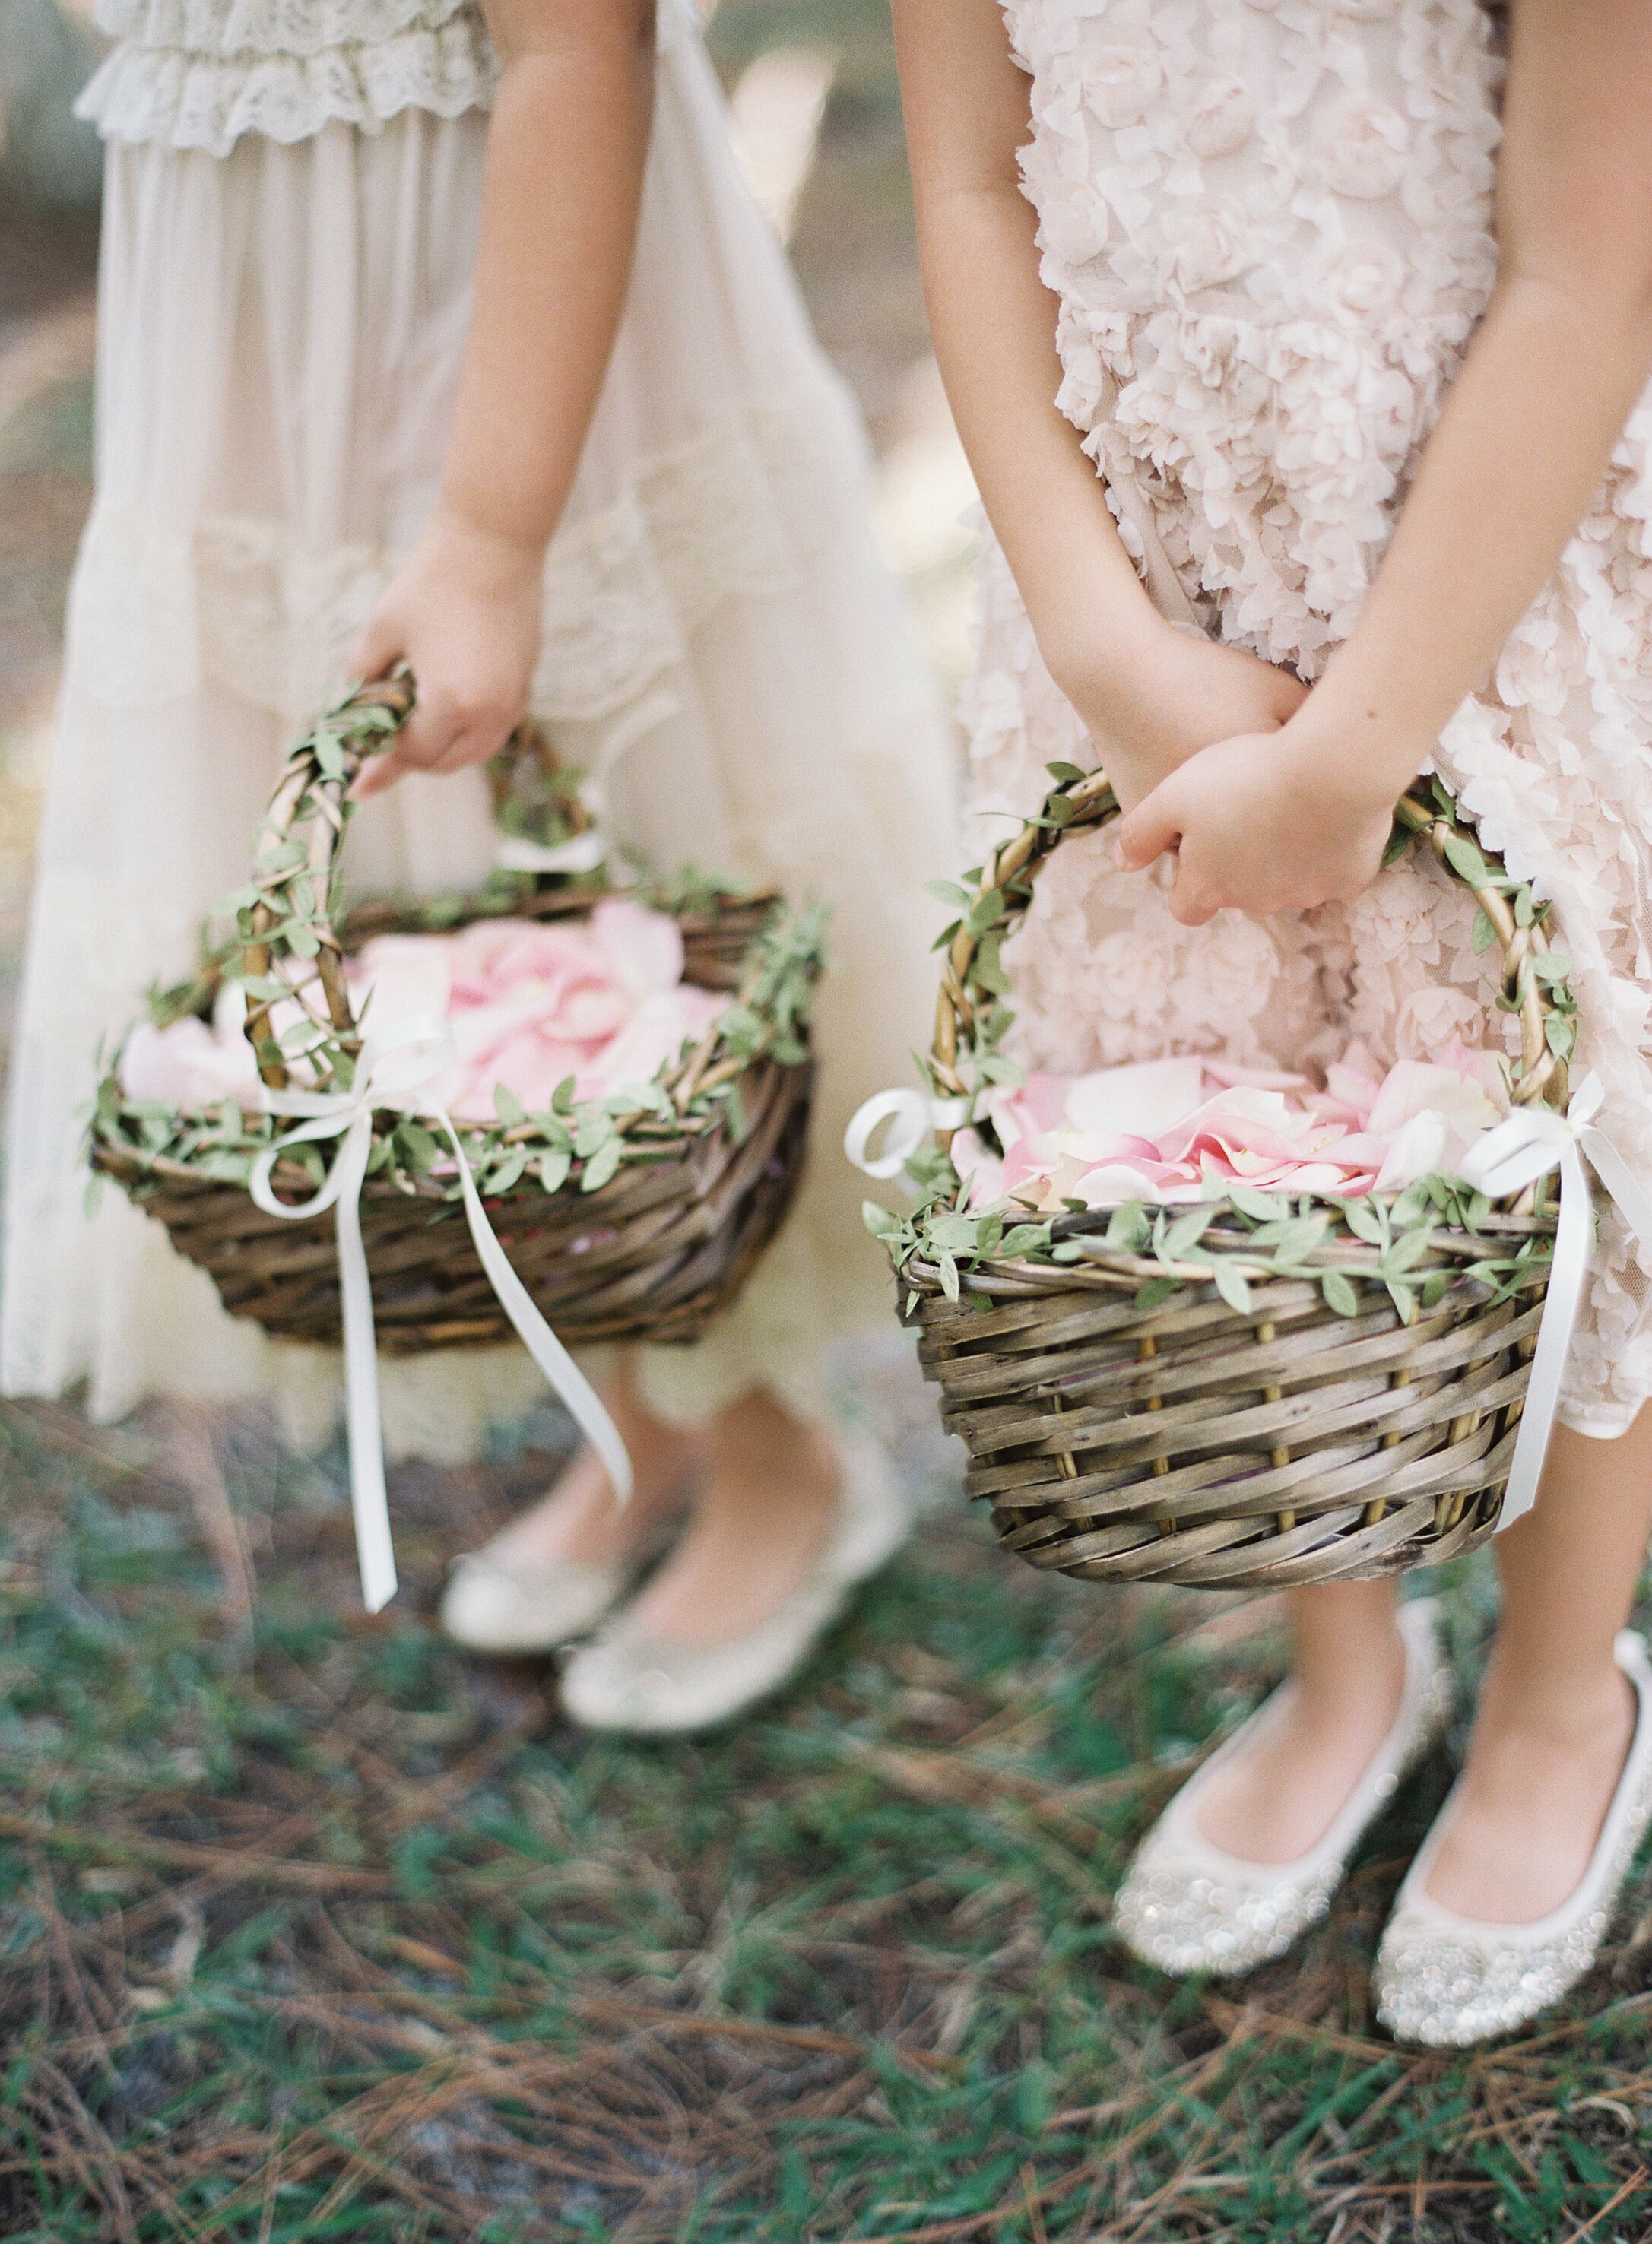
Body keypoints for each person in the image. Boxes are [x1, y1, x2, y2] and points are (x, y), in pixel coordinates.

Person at [5, 0, 957, 1733]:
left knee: (633, 884)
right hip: (247, 317)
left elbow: (570, 46)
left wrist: (493, 534)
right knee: (433, 952)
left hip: (506, 311)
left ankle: (776, 1455)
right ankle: (646, 1418)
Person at [893, 0, 1652, 2043]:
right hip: (1151, 583)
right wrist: (1096, 636)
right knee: (1236, 1127)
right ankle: (1345, 1671)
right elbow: (967, 180)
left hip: (1473, 591)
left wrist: (1362, 742)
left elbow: (1587, 259)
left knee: (1531, 1150)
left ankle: (1556, 1693)